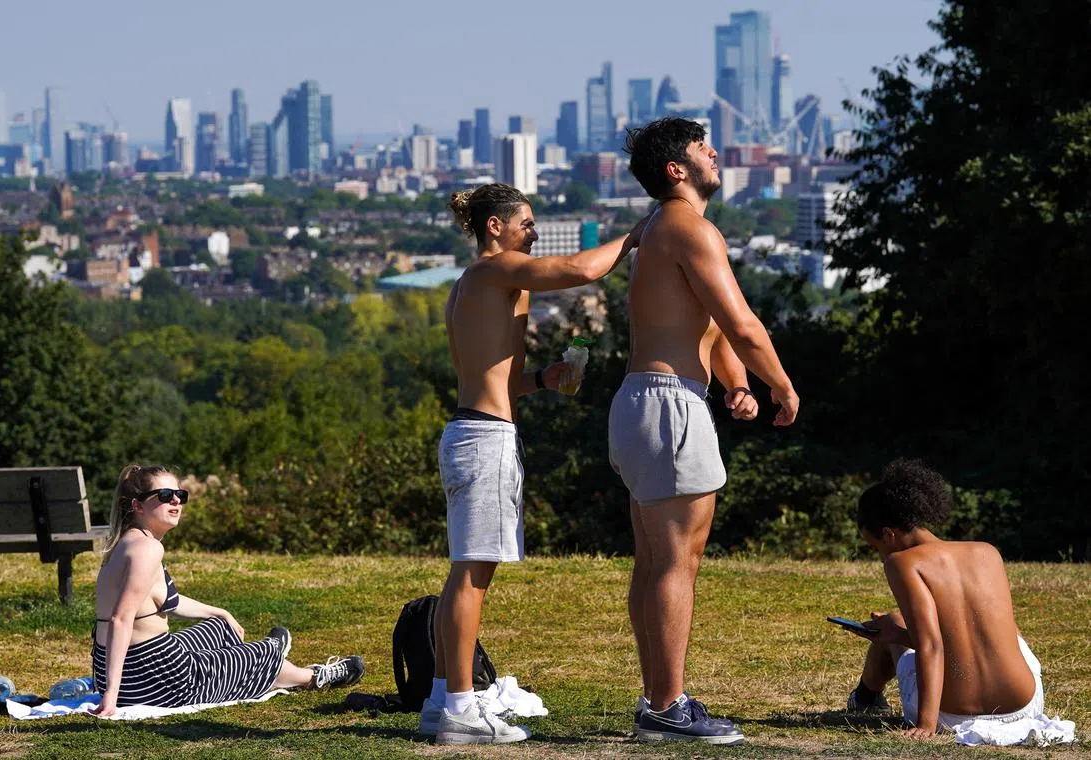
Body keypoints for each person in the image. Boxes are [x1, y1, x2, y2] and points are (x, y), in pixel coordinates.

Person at [420, 183, 648, 745]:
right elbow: (578, 269)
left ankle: (443, 698)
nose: (533, 231)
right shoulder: (493, 271)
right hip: (483, 439)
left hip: (473, 430)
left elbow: (494, 379)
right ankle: (458, 707)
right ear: (494, 227)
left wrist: (543, 380)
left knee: (465, 574)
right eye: (525, 222)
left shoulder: (477, 284)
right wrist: (637, 235)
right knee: (473, 575)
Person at [613, 116, 800, 743]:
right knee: (675, 565)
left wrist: (736, 385)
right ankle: (666, 707)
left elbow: (709, 330)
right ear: (677, 170)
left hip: (645, 401)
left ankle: (656, 702)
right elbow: (742, 324)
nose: (714, 154)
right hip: (669, 408)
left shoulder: (660, 233)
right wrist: (781, 384)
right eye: (702, 148)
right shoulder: (691, 229)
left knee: (655, 562)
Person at [90, 464, 364, 717]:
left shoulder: (126, 543)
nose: (176, 501)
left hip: (129, 670)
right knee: (262, 657)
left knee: (221, 627)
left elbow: (164, 600)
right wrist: (112, 697)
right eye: (164, 495)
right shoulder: (148, 549)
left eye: (179, 495)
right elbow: (121, 619)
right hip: (155, 679)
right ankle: (312, 675)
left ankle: (265, 651)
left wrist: (221, 612)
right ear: (137, 505)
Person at [843, 459, 1075, 745]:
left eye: (875, 546)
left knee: (892, 619)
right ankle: (868, 691)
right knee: (997, 629)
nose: (879, 556)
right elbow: (990, 636)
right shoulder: (987, 551)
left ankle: (865, 697)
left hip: (952, 716)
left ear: (889, 534)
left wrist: (926, 724)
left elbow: (931, 644)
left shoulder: (900, 562)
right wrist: (903, 636)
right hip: (1023, 706)